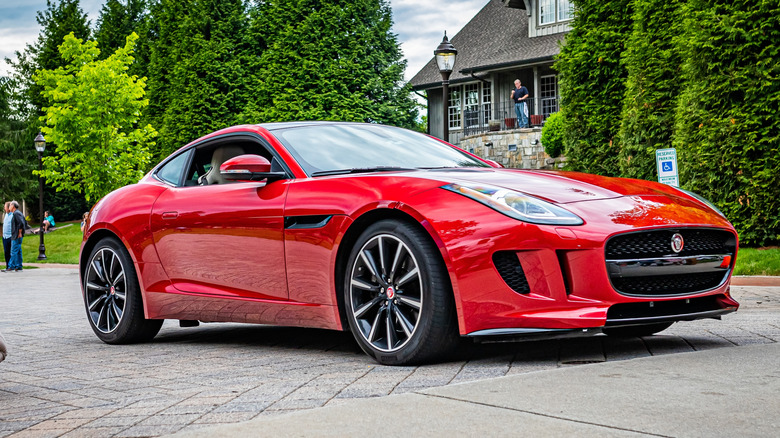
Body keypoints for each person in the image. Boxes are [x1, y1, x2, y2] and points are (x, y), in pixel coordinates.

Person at [3, 201, 26, 272]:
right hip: (16, 235)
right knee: (18, 251)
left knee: (13, 251)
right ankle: (19, 266)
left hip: (16, 235)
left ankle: (10, 266)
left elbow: (21, 223)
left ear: (13, 206)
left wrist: (19, 233)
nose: (9, 207)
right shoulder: (16, 213)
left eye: (10, 205)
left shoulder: (16, 213)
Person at [2, 202, 11, 269]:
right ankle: (8, 266)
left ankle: (11, 266)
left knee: (11, 252)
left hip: (10, 236)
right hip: (5, 237)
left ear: (9, 208)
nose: (4, 208)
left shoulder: (13, 215)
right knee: (6, 252)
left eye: (5, 207)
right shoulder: (6, 215)